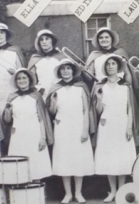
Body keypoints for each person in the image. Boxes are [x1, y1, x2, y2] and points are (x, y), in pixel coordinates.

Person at [92, 54, 139, 202]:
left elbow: (130, 108)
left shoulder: (126, 86)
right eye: (108, 64)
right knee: (109, 158)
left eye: (113, 64)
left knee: (122, 157)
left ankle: (121, 190)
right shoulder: (100, 86)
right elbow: (98, 111)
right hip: (107, 125)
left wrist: (129, 127)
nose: (110, 66)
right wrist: (99, 100)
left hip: (122, 123)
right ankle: (112, 191)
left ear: (118, 67)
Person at [47, 59, 95, 204]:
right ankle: (68, 193)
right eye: (63, 69)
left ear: (73, 71)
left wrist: (85, 130)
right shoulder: (55, 88)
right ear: (60, 72)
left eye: (68, 68)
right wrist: (53, 104)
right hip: (62, 127)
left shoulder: (81, 87)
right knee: (64, 159)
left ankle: (78, 193)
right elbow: (51, 112)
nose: (66, 71)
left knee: (78, 160)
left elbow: (87, 110)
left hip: (78, 126)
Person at [2, 68, 53, 182]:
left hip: (34, 134)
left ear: (29, 80)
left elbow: (42, 119)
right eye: (19, 78)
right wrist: (7, 110)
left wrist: (43, 137)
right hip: (18, 135)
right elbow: (7, 120)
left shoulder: (36, 96)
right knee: (20, 167)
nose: (22, 81)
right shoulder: (12, 97)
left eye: (24, 78)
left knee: (36, 167)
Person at [27, 30, 64, 100]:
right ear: (39, 43)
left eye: (47, 39)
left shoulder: (60, 56)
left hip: (59, 92)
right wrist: (37, 88)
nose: (44, 42)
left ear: (52, 41)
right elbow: (30, 78)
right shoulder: (35, 58)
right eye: (41, 40)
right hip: (42, 94)